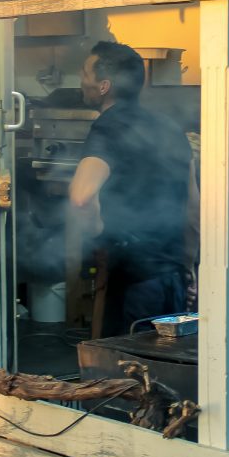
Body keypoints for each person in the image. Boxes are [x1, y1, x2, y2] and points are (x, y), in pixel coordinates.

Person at [69, 41, 198, 337]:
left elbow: (81, 196)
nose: (81, 80)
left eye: (85, 73)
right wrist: (188, 269)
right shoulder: (171, 129)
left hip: (131, 282)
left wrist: (96, 232)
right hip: (171, 281)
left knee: (122, 373)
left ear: (104, 86)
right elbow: (193, 211)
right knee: (166, 371)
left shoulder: (107, 127)